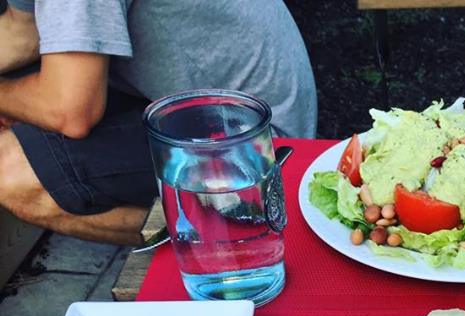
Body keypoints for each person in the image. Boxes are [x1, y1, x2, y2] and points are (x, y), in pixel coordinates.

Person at [0, 0, 317, 246]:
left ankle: (233, 230)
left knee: (7, 167)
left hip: (257, 142)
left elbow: (69, 111)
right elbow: (23, 30)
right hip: (211, 102)